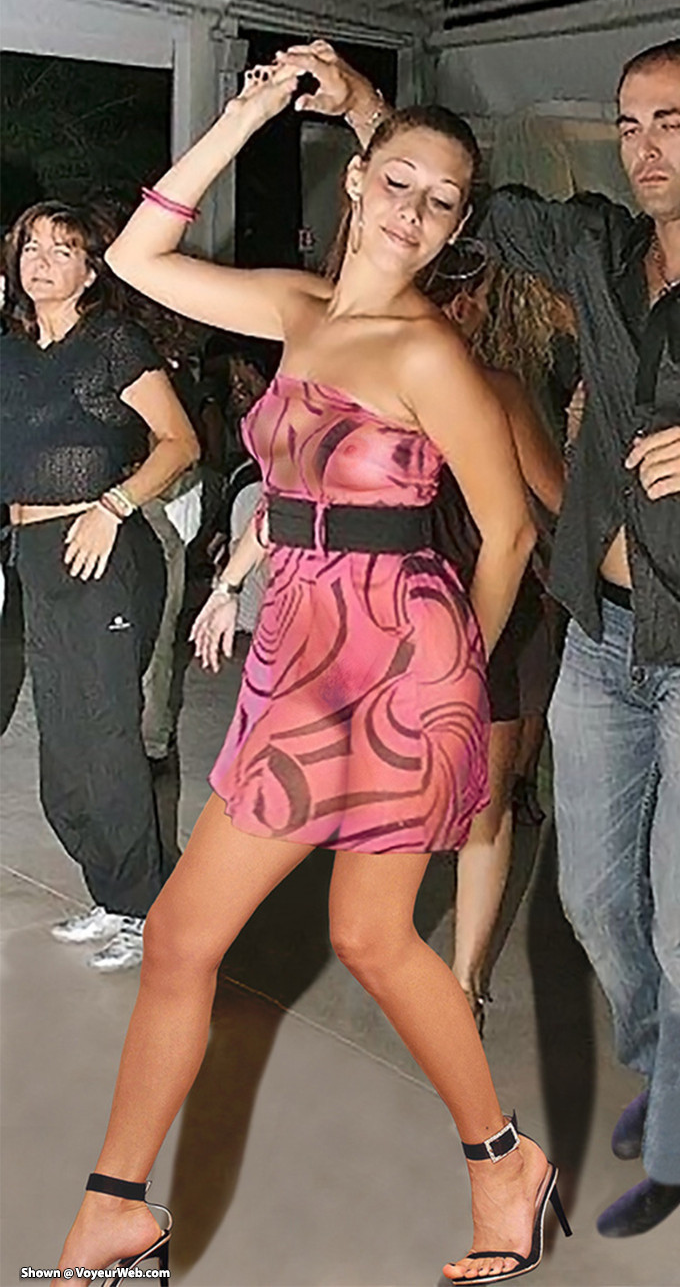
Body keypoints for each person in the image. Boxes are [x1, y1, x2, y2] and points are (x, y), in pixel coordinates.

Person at [279, 37, 680, 1240]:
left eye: (671, 121)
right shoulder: (597, 248)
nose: (645, 146)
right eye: (628, 124)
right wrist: (362, 101)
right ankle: (669, 1047)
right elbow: (450, 195)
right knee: (587, 893)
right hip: (601, 638)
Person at [57, 67, 570, 1287]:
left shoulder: (430, 353)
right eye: (397, 182)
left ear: (456, 225)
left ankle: (500, 1164)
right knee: (185, 934)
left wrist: (450, 684)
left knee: (372, 935)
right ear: (356, 182)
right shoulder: (297, 305)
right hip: (296, 650)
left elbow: (507, 528)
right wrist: (244, 118)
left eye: (441, 200)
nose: (413, 211)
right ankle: (116, 1209)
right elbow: (134, 257)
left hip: (399, 660)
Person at [0, 201, 199, 971]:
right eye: (31, 247)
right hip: (35, 555)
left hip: (102, 551)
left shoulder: (111, 342)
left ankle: (147, 910)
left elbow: (180, 442)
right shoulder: (12, 356)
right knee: (64, 749)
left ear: (91, 270)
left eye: (63, 249)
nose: (42, 260)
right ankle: (116, 894)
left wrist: (112, 507)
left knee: (108, 737)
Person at [423, 245, 566, 1028]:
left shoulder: (493, 390)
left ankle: (465, 979)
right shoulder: (471, 387)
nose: (468, 311)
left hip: (479, 609)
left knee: (479, 802)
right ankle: (455, 979)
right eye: (464, 296)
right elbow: (559, 497)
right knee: (468, 803)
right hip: (437, 612)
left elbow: (555, 502)